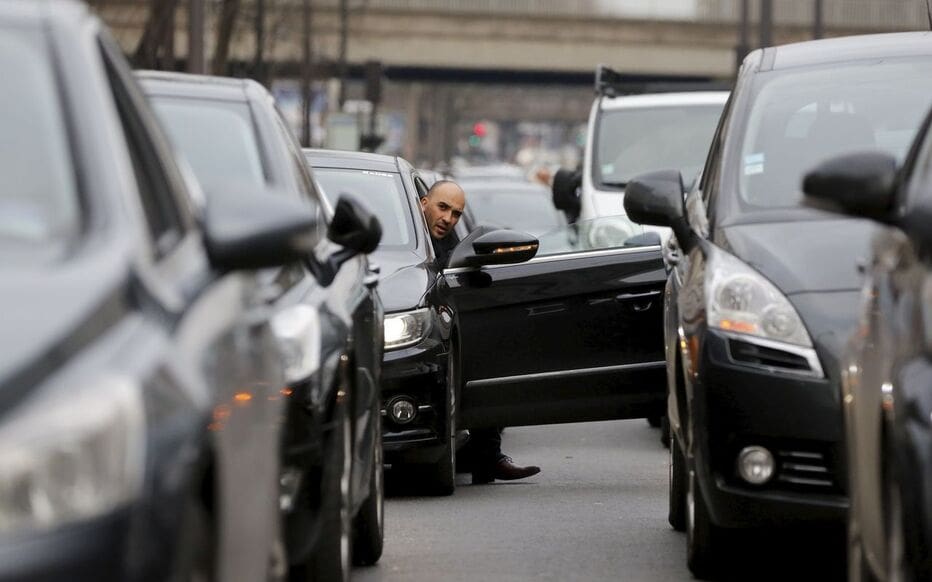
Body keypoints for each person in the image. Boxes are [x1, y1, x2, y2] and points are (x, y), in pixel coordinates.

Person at [420, 180, 541, 484]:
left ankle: (488, 457)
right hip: (415, 334)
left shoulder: (450, 241)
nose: (448, 218)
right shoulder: (406, 240)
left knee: (488, 350)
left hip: (446, 330)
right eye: (442, 207)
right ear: (423, 203)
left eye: (456, 213)